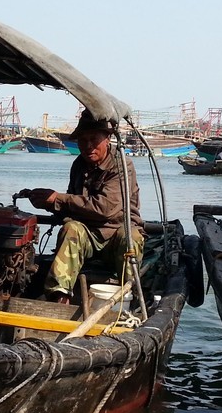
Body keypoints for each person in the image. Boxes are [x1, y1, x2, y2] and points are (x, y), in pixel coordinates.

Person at [22, 111, 144, 305]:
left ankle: (131, 298)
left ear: (107, 139)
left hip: (116, 236)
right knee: (71, 229)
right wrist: (47, 202)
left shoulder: (122, 165)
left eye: (94, 140)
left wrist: (58, 199)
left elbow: (105, 208)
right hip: (88, 237)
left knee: (131, 237)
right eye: (82, 140)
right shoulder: (79, 165)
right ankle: (59, 298)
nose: (88, 146)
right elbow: (74, 207)